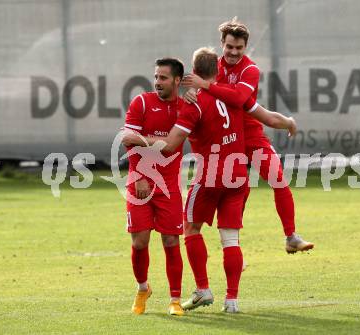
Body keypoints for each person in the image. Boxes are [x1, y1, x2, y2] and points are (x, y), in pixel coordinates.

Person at [123, 47, 297, 313]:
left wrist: (140, 139)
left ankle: (203, 289)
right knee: (230, 239)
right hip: (237, 177)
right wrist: (288, 122)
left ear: (192, 74)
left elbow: (170, 146)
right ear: (217, 71)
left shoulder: (193, 105)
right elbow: (269, 118)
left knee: (190, 230)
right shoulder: (235, 97)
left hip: (209, 178)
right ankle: (232, 302)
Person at [182, 18, 314, 254]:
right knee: (237, 189)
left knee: (278, 178)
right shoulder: (211, 66)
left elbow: (240, 100)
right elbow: (194, 86)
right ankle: (232, 247)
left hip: (250, 134)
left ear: (245, 47)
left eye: (239, 48)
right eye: (230, 47)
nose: (234, 52)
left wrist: (205, 86)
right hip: (224, 138)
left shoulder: (250, 69)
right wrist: (192, 90)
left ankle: (291, 236)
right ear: (222, 43)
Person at [122, 58, 185, 316]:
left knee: (171, 240)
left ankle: (175, 299)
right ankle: (142, 288)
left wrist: (145, 140)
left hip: (169, 184)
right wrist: (139, 174)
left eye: (163, 78)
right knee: (140, 241)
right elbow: (127, 138)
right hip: (140, 180)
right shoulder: (142, 102)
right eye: (156, 77)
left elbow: (172, 145)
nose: (157, 82)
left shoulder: (186, 107)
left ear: (177, 81)